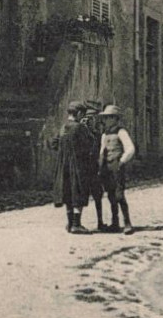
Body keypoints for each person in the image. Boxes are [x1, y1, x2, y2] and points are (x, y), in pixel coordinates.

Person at [48, 100, 92, 234]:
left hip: (63, 166)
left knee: (67, 193)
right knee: (79, 192)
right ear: (78, 113)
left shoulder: (62, 128)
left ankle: (69, 223)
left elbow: (54, 144)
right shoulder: (80, 128)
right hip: (78, 166)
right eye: (82, 115)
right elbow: (89, 144)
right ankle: (77, 224)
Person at [99, 105, 136, 234]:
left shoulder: (121, 132)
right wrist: (100, 165)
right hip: (106, 167)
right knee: (110, 194)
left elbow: (130, 148)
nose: (106, 120)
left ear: (115, 119)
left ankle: (127, 222)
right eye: (105, 118)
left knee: (119, 194)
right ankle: (115, 222)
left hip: (117, 165)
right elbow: (101, 152)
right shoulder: (105, 134)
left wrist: (122, 161)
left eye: (109, 117)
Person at [83, 100, 109, 231]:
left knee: (98, 195)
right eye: (88, 119)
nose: (91, 121)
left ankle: (100, 222)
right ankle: (76, 223)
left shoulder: (98, 135)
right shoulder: (82, 134)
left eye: (93, 119)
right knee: (80, 195)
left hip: (94, 170)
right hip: (83, 170)